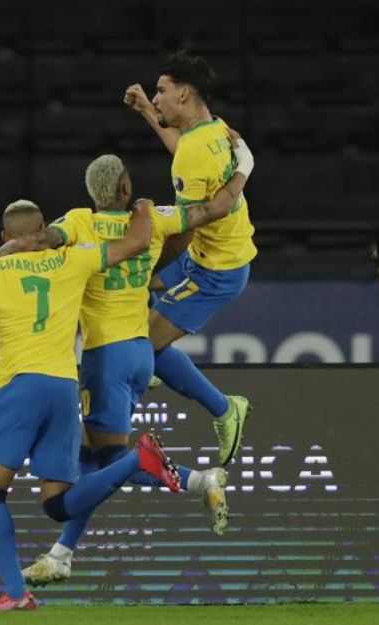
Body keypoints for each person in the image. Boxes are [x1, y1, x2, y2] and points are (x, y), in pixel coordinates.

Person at [0, 200, 181, 612]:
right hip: (62, 388)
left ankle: (17, 594)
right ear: (43, 229)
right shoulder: (72, 259)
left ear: (3, 239)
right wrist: (144, 211)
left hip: (19, 387)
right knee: (57, 504)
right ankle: (135, 462)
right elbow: (135, 244)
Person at [0, 143, 253, 586]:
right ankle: (61, 555)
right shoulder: (155, 218)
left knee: (112, 460)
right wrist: (243, 166)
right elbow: (214, 209)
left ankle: (202, 481)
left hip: (103, 358)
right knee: (92, 462)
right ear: (127, 187)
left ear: (92, 191)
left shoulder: (78, 222)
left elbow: (34, 243)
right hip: (142, 350)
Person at [123, 51, 255, 466]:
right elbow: (184, 150)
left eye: (160, 91)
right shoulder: (214, 129)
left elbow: (185, 231)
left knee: (140, 348)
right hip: (216, 255)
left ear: (184, 94)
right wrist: (147, 110)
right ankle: (158, 364)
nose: (157, 97)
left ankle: (225, 409)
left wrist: (153, 266)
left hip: (214, 271)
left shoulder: (196, 149)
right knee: (136, 309)